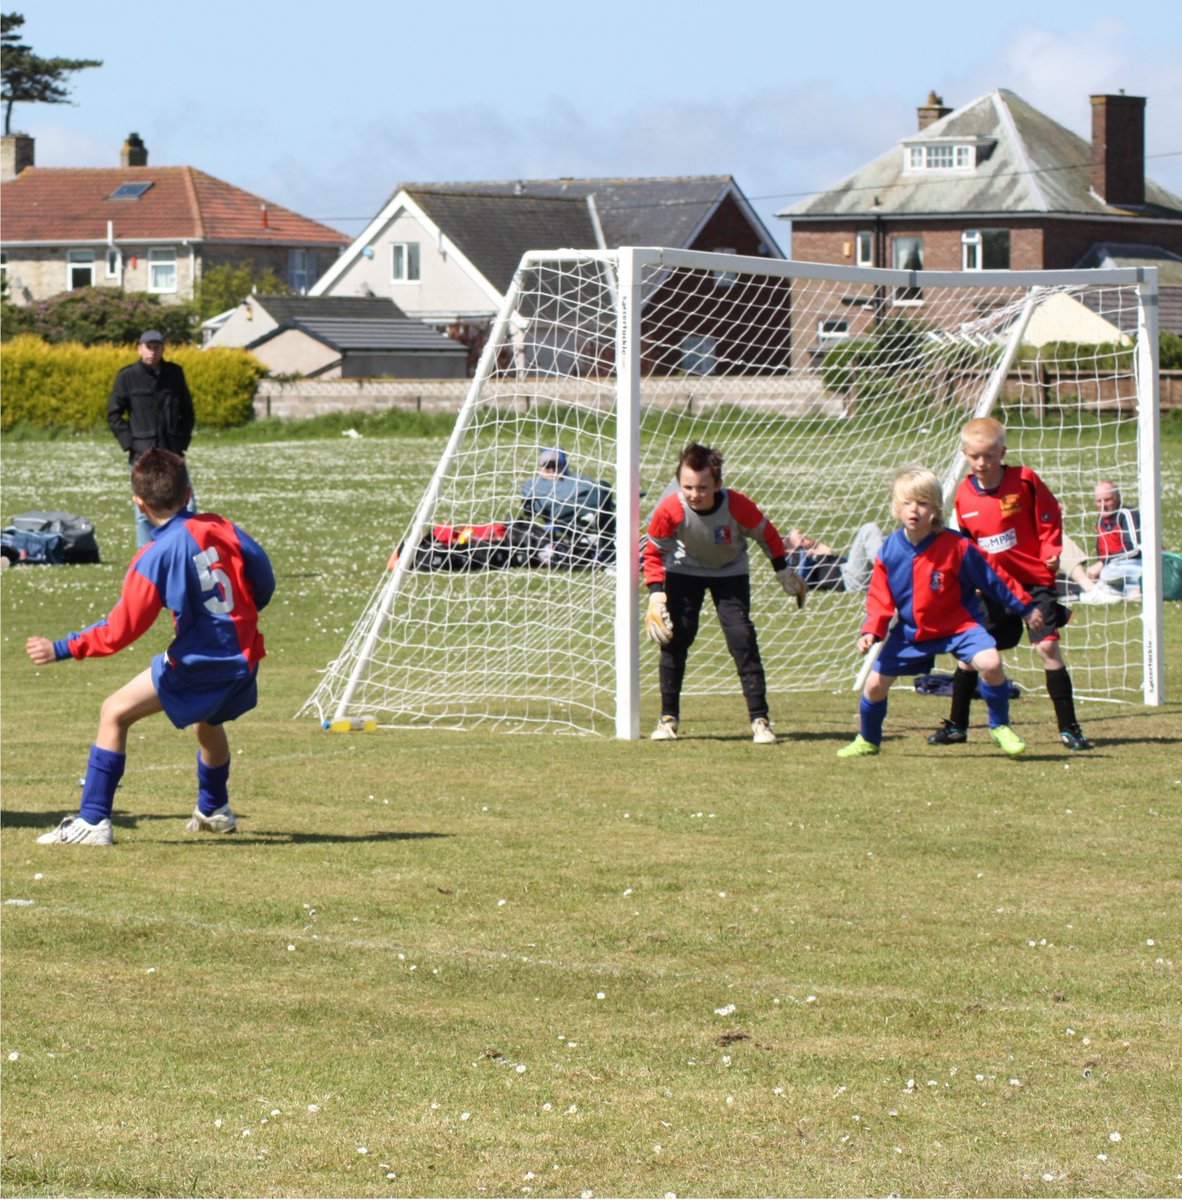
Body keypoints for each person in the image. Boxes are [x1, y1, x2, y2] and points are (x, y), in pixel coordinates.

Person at [26, 449, 274, 845]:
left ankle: (92, 821)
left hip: (202, 662)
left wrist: (63, 647)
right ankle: (213, 809)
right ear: (188, 493)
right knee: (208, 722)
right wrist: (238, 616)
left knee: (114, 712)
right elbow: (264, 576)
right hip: (245, 655)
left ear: (139, 504)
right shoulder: (221, 525)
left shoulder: (154, 556)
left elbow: (119, 631)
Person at [838, 466, 1041, 759]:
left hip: (959, 627)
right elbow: (880, 598)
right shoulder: (889, 550)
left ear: (935, 509)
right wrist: (871, 631)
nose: (914, 509)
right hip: (912, 632)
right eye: (907, 502)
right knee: (874, 686)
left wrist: (1025, 607)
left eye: (922, 503)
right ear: (896, 507)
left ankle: (1000, 726)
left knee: (991, 662)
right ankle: (868, 740)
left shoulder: (956, 546)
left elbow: (993, 578)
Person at [928, 416, 1092, 751]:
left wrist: (1050, 550)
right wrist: (972, 577)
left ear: (1001, 453)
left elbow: (1049, 516)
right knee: (972, 653)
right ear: (964, 454)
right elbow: (967, 542)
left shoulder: (1025, 480)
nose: (981, 463)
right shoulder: (963, 495)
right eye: (975, 456)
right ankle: (957, 726)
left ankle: (1070, 729)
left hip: (1033, 581)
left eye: (989, 456)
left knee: (1047, 647)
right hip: (994, 586)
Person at [642, 442, 806, 744]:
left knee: (741, 638)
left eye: (702, 487)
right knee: (675, 638)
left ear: (718, 484)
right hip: (684, 570)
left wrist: (781, 569)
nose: (694, 494)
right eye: (688, 487)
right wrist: (655, 594)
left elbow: (767, 534)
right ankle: (667, 719)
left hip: (730, 572)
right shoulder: (670, 509)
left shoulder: (737, 505)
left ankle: (760, 720)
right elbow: (653, 552)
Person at [108, 330, 196, 548]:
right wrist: (130, 443)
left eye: (157, 347)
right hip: (142, 454)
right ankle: (146, 558)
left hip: (172, 452)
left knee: (188, 506)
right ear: (139, 348)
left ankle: (186, 552)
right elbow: (114, 414)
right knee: (144, 512)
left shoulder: (174, 373)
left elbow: (187, 412)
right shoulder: (127, 376)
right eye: (148, 347)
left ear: (163, 349)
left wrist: (181, 442)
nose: (152, 352)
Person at [519, 447, 615, 564]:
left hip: (587, 509)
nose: (551, 470)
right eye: (547, 466)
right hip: (562, 514)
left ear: (563, 466)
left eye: (555, 466)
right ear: (540, 468)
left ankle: (594, 529)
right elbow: (529, 508)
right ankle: (592, 528)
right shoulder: (532, 485)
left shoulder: (576, 480)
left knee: (603, 489)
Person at [785, 522, 884, 592]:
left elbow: (827, 551)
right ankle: (887, 568)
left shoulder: (813, 556)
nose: (807, 541)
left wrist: (811, 546)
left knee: (887, 539)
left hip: (854, 569)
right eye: (802, 540)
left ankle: (887, 567)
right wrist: (799, 547)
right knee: (868, 529)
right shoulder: (795, 564)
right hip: (850, 578)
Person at [1085, 479, 1143, 597]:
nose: (1103, 505)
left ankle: (1134, 587)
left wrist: (1103, 564)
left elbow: (1134, 548)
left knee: (1107, 573)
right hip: (1114, 567)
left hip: (1138, 564)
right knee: (1103, 573)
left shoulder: (1126, 514)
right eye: (1099, 501)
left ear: (1117, 498)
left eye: (1107, 500)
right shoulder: (1101, 520)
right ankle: (1126, 590)